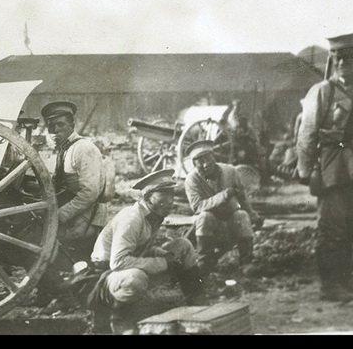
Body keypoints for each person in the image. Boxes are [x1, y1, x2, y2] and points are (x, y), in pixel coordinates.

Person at [295, 33, 353, 302]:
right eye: (339, 57)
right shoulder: (322, 91)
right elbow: (306, 134)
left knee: (351, 227)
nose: (345, 62)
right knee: (331, 228)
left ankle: (345, 281)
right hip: (331, 166)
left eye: (350, 57)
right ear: (333, 60)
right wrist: (307, 170)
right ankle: (330, 286)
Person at [88, 172, 206, 334]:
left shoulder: (153, 215)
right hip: (107, 276)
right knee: (136, 279)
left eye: (171, 195)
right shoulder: (132, 218)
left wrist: (163, 253)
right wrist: (163, 262)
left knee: (183, 246)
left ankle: (197, 305)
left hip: (130, 265)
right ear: (148, 197)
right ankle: (119, 319)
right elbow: (118, 262)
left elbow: (142, 247)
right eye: (163, 196)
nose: (170, 201)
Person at [34, 100, 106, 307]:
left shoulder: (83, 148)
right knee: (38, 236)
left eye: (60, 125)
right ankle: (49, 290)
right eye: (51, 127)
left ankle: (63, 293)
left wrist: (59, 215)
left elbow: (90, 192)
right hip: (71, 209)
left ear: (72, 125)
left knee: (45, 241)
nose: (55, 131)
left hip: (87, 213)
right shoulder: (61, 150)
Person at [183, 140, 261, 275]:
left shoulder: (230, 171)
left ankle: (246, 261)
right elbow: (197, 206)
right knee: (204, 216)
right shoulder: (192, 179)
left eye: (208, 159)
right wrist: (223, 195)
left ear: (214, 158)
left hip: (230, 221)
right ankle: (204, 262)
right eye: (200, 162)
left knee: (242, 215)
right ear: (194, 165)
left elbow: (242, 197)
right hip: (209, 227)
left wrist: (253, 215)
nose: (205, 164)